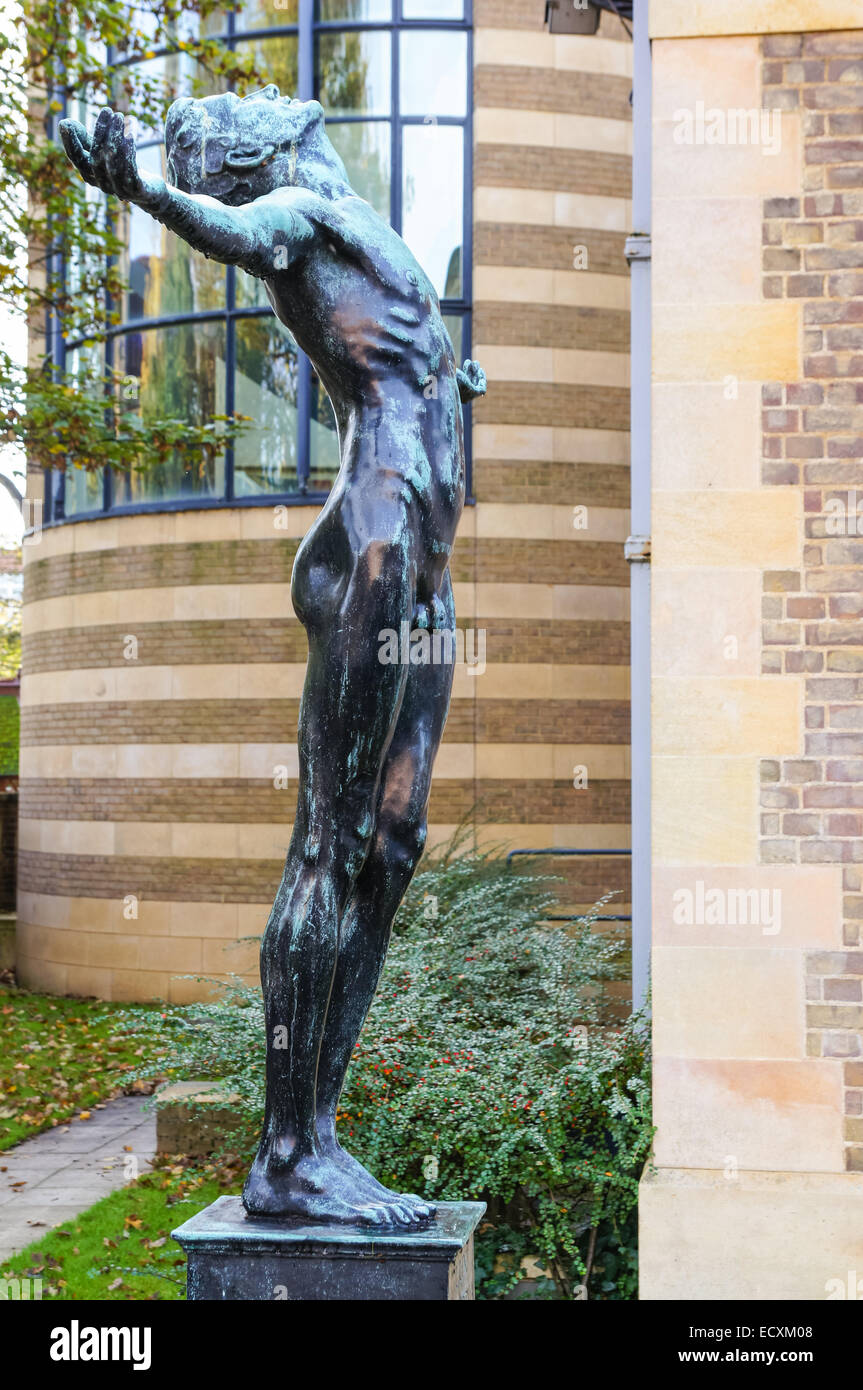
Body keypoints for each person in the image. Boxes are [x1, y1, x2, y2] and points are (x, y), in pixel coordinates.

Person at [61, 86, 486, 1226]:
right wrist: (148, 188)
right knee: (330, 840)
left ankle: (321, 1135)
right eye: (241, 102)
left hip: (426, 575)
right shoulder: (294, 208)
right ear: (259, 152)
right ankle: (285, 1153)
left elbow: (399, 356)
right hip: (373, 550)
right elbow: (242, 235)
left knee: (390, 845)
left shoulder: (356, 223)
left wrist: (449, 374)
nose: (268, 92)